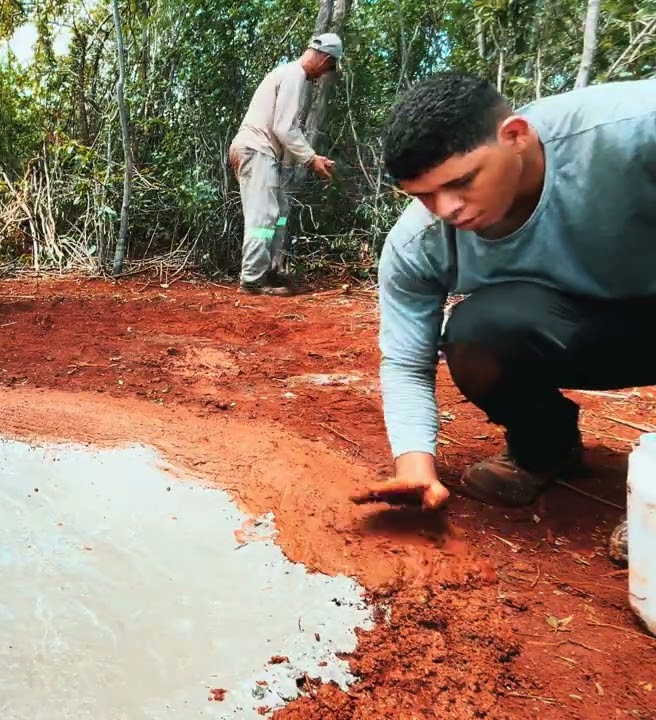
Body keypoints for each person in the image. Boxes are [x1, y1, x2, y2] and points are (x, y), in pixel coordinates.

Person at [364, 72, 656, 563]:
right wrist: (414, 466)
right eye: (424, 195)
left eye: (461, 182)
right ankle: (546, 450)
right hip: (591, 334)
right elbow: (407, 363)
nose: (446, 209)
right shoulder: (419, 244)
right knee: (479, 333)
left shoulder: (633, 129)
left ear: (515, 135)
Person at [228, 33, 343, 296]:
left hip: (257, 150)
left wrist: (311, 156)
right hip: (256, 149)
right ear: (325, 59)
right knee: (263, 216)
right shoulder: (295, 75)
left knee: (279, 210)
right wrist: (311, 159)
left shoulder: (289, 73)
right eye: (329, 68)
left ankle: (269, 269)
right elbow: (284, 128)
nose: (324, 74)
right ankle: (252, 279)